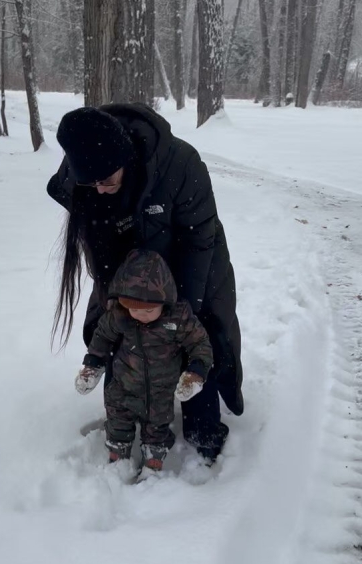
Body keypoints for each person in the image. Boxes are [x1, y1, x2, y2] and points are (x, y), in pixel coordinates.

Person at [47, 102, 243, 462]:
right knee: (117, 326)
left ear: (126, 159)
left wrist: (181, 308)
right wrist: (118, 301)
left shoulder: (180, 163)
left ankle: (203, 433)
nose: (100, 190)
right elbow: (99, 250)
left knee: (194, 332)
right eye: (91, 183)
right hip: (126, 265)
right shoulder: (84, 180)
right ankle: (121, 421)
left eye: (107, 180)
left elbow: (199, 239)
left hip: (192, 257)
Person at [75, 249, 214, 472]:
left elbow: (200, 344)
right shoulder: (120, 315)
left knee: (157, 424)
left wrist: (196, 372)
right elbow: (102, 337)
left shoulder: (178, 317)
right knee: (118, 418)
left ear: (165, 299)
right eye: (134, 309)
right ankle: (118, 450)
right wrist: (92, 365)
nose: (141, 315)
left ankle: (154, 455)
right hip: (124, 383)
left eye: (149, 309)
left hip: (161, 389)